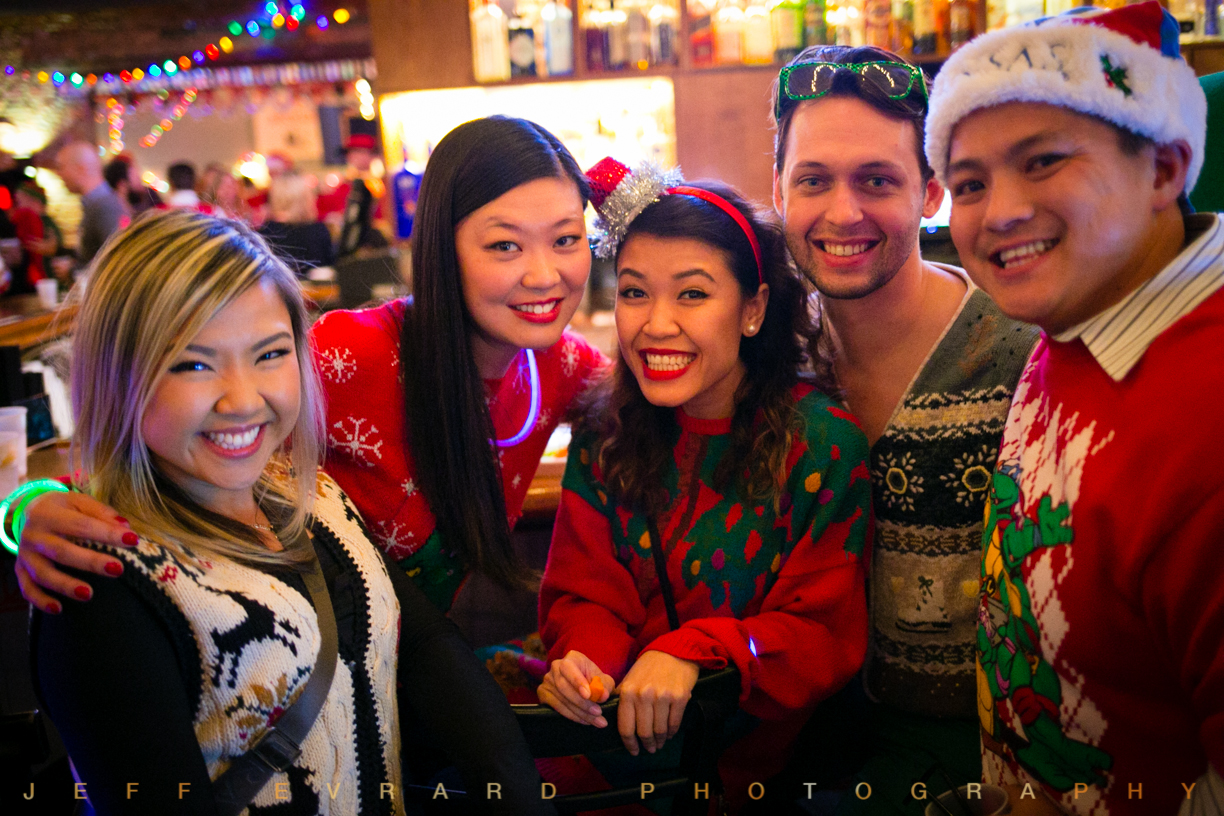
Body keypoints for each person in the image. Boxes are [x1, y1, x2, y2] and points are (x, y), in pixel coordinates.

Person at [24, 208, 550, 815]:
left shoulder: (312, 498)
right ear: (119, 373)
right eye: (193, 364)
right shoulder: (100, 583)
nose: (244, 399)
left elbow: (427, 646)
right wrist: (20, 511)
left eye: (270, 354)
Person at [16, 116, 606, 647]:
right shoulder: (355, 352)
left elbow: (662, 401)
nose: (544, 274)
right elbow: (140, 448)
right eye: (504, 244)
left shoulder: (558, 365)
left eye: (565, 239)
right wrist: (24, 512)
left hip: (430, 684)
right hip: (280, 678)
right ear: (440, 247)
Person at [924, 3, 1223, 814]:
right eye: (969, 184)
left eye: (1045, 160)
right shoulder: (1072, 324)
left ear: (1164, 168)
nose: (1000, 212)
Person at [537, 160, 872, 811]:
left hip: (764, 780)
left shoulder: (824, 442)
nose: (656, 324)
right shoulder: (603, 428)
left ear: (752, 309)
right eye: (634, 293)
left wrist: (692, 652)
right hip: (614, 761)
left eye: (691, 294)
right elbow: (584, 591)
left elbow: (821, 636)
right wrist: (586, 662)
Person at [769, 44, 1039, 811]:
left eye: (877, 181)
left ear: (929, 194)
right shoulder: (768, 366)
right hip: (803, 745)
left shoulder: (1025, 352)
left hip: (988, 761)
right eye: (814, 180)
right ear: (778, 192)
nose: (844, 212)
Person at [54, 140, 125, 265]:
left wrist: (72, 272)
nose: (59, 174)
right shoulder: (97, 204)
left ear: (81, 169)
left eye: (61, 167)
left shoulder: (105, 206)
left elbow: (117, 259)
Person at [258, 172, 335, 274]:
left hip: (278, 289)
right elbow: (326, 272)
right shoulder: (318, 231)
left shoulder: (264, 233)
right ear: (305, 198)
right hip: (315, 289)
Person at [336, 133, 388, 257]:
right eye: (350, 153)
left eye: (356, 152)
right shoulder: (345, 185)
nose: (350, 157)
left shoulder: (380, 184)